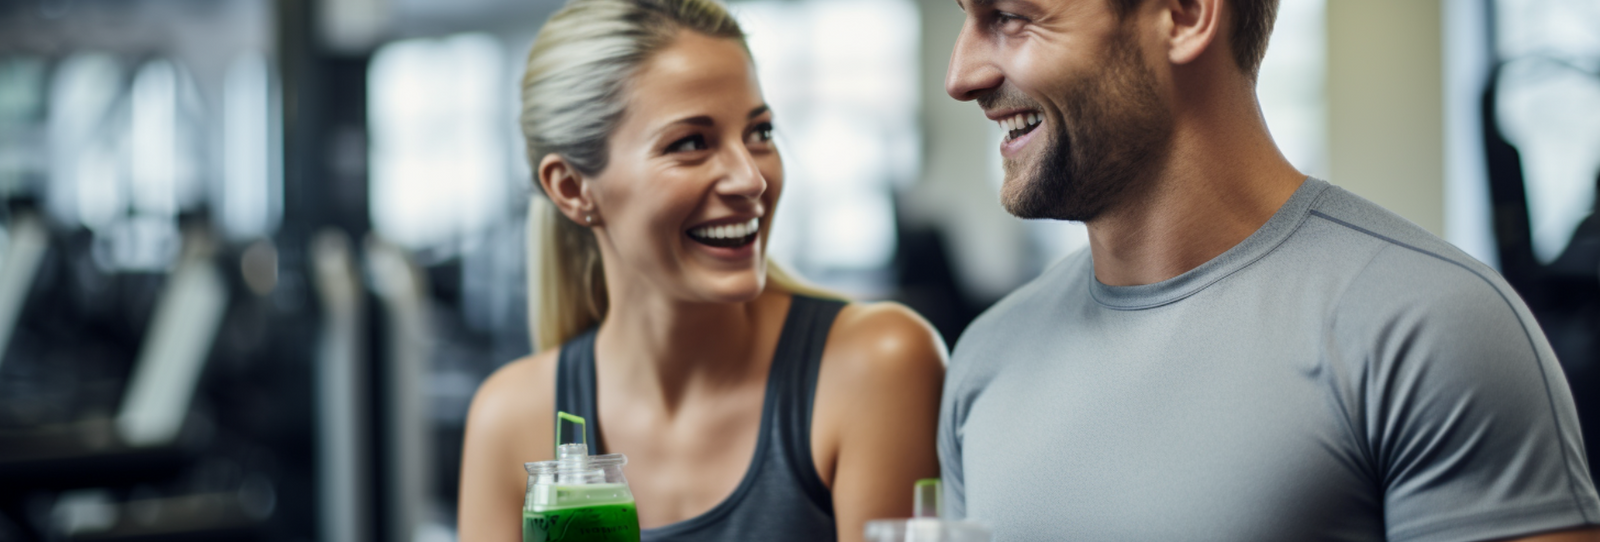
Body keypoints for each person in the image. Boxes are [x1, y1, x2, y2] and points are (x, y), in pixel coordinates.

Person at [937, 0, 1600, 541]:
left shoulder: (1433, 331)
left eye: (1012, 17)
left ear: (1186, 14)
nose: (961, 75)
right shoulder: (985, 358)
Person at [458, 1, 947, 541]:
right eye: (690, 143)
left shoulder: (876, 366)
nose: (751, 179)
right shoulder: (509, 420)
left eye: (759, 133)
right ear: (572, 189)